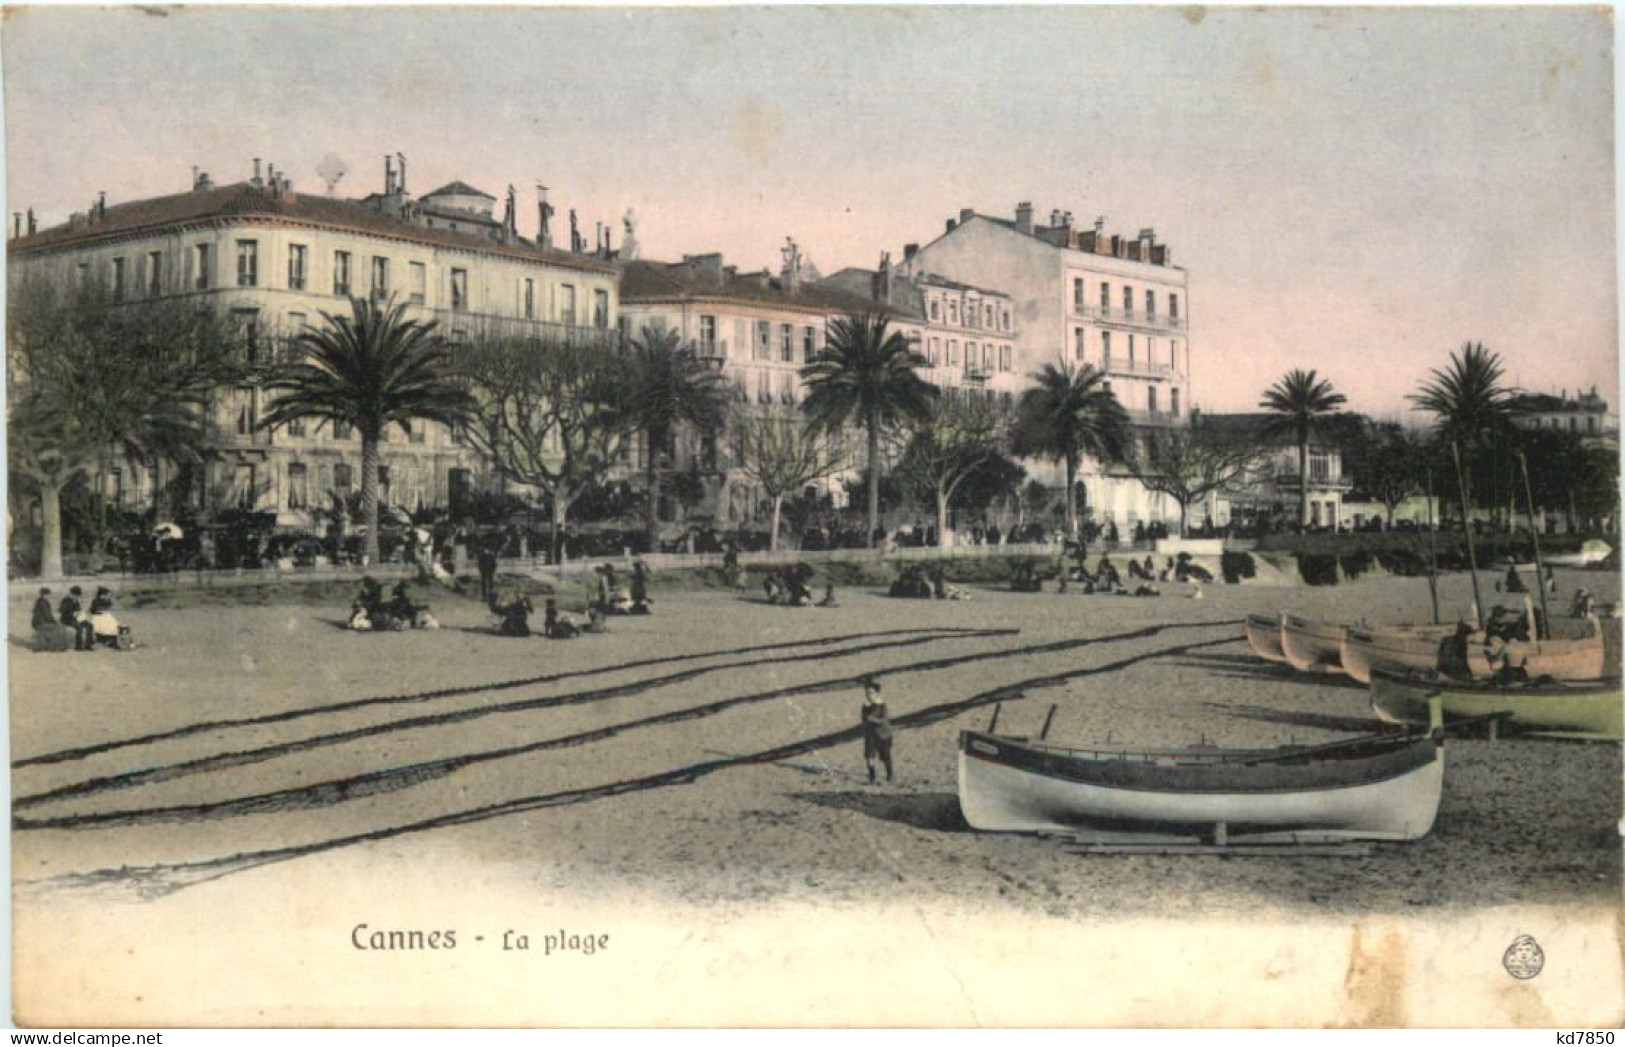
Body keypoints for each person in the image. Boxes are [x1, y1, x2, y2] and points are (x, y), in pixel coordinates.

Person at [860, 678, 895, 784]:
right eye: (867, 693)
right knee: (869, 757)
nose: (868, 695)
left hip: (883, 735)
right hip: (870, 735)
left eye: (871, 693)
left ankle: (890, 775)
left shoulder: (882, 706)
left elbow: (884, 720)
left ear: (876, 693)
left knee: (885, 757)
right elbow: (863, 718)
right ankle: (872, 776)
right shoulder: (865, 706)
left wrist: (872, 719)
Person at [59, 585, 91, 651]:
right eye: (76, 596)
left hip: (76, 618)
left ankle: (88, 645)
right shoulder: (65, 600)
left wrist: (82, 612)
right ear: (72, 594)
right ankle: (78, 646)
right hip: (66, 619)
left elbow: (78, 610)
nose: (77, 597)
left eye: (77, 596)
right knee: (79, 627)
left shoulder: (76, 601)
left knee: (89, 625)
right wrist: (74, 614)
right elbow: (63, 612)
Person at [476, 538, 499, 605]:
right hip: (484, 571)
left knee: (490, 585)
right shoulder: (482, 556)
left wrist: (493, 570)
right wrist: (481, 569)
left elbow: (494, 564)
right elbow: (479, 564)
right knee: (484, 584)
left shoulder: (491, 556)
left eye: (487, 550)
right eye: (485, 550)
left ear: (489, 550)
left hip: (489, 571)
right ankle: (484, 597)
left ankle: (490, 597)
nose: (486, 551)